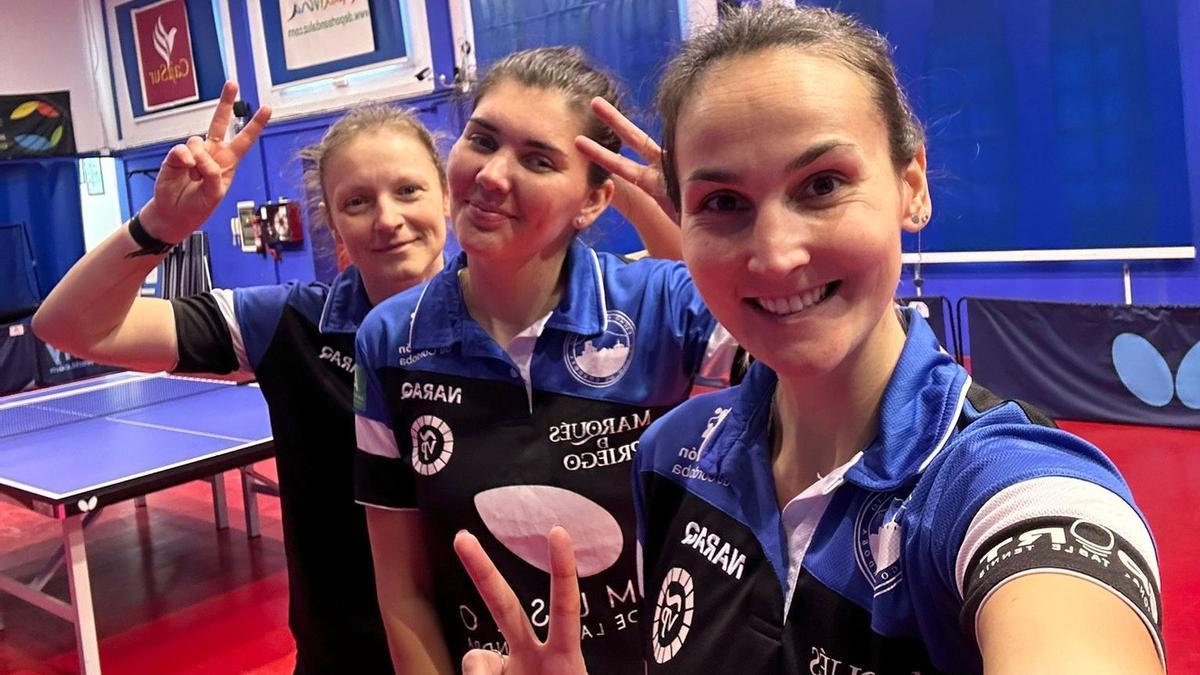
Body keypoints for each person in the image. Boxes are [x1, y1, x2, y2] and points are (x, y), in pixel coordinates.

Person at [452, 5, 1165, 674]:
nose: (775, 254)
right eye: (722, 203)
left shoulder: (1005, 488)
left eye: (821, 184)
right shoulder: (671, 455)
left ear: (911, 183)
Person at [32, 82, 449, 673]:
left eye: (408, 190)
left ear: (448, 197)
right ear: (331, 221)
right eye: (356, 202)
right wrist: (160, 225)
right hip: (342, 655)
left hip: (485, 649)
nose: (388, 219)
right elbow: (69, 326)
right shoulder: (287, 322)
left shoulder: (505, 318)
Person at [351, 46, 739, 673]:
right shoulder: (390, 340)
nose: (492, 176)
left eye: (537, 159)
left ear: (592, 202)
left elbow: (823, 366)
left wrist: (712, 220)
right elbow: (404, 590)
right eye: (482, 139)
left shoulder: (661, 306)